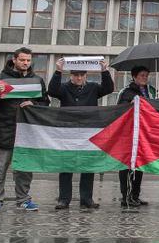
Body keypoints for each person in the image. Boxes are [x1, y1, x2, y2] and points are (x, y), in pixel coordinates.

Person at [0, 47, 49, 213]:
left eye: (28, 60)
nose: (26, 63)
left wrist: (34, 104)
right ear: (14, 60)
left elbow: (45, 102)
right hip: (4, 129)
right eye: (22, 60)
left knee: (24, 169)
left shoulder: (37, 80)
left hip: (27, 132)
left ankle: (23, 199)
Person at [47, 58, 114, 210]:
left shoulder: (93, 87)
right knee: (66, 166)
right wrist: (58, 71)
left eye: (82, 75)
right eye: (76, 75)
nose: (79, 78)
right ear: (70, 75)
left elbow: (108, 89)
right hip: (68, 132)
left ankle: (86, 198)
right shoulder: (64, 88)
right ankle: (64, 199)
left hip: (88, 132)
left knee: (87, 165)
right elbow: (52, 91)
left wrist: (105, 71)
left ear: (86, 75)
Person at [116, 66, 155, 207]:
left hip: (142, 133)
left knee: (139, 165)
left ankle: (135, 195)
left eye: (146, 75)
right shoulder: (126, 92)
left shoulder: (150, 92)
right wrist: (130, 105)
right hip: (128, 134)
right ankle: (126, 196)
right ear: (134, 77)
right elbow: (118, 110)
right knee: (127, 166)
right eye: (142, 75)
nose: (145, 78)